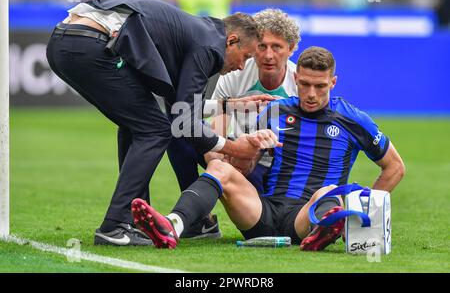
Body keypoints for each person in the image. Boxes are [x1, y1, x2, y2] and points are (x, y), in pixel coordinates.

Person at [131, 46, 406, 250]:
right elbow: (244, 169)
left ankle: (324, 227)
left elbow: (394, 167)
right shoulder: (274, 110)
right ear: (296, 79)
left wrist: (365, 212)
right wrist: (249, 147)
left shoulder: (352, 119)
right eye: (306, 84)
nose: (311, 94)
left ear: (333, 83)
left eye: (320, 86)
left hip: (306, 214)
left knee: (330, 193)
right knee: (219, 167)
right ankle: (172, 225)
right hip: (263, 213)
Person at [46, 0, 264, 246]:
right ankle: (115, 225)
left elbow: (180, 110)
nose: (241, 66)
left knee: (138, 126)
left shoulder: (199, 34)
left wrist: (226, 105)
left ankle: (134, 220)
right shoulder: (210, 46)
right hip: (88, 44)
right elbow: (186, 122)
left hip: (64, 42)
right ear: (231, 41)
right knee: (155, 131)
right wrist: (234, 148)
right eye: (245, 56)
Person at [166, 8, 300, 239]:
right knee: (179, 129)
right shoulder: (235, 73)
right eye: (262, 46)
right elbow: (215, 130)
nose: (268, 55)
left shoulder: (300, 84)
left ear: (291, 49)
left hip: (275, 167)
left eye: (276, 47)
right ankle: (200, 221)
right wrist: (220, 163)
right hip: (234, 154)